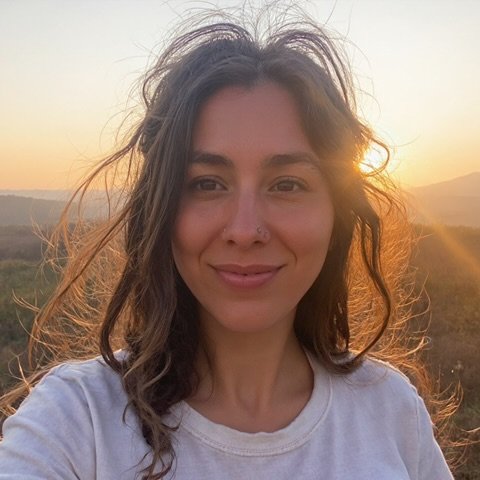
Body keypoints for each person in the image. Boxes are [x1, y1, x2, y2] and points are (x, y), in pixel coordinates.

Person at [0, 8, 454, 480]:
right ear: (160, 210)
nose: (245, 229)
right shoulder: (77, 420)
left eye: (287, 184)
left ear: (335, 213)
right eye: (207, 183)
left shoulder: (390, 410)